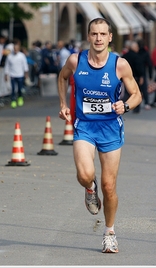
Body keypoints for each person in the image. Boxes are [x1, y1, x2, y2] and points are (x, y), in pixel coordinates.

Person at [57, 18, 142, 253]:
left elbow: (136, 94)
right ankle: (89, 189)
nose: (98, 38)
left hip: (110, 129)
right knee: (85, 175)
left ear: (110, 37)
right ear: (88, 36)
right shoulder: (76, 60)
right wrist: (64, 103)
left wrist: (125, 106)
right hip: (84, 126)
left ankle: (109, 232)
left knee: (109, 185)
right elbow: (62, 77)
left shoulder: (120, 64)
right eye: (94, 34)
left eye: (103, 34)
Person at [4, 39, 29, 108]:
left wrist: (26, 73)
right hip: (12, 75)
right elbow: (7, 66)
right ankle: (13, 100)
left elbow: (25, 65)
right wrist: (6, 74)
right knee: (13, 89)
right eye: (14, 49)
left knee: (20, 88)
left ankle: (20, 98)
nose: (15, 50)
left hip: (20, 74)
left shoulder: (21, 56)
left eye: (16, 49)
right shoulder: (9, 56)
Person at [122, 41, 145, 113]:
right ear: (134, 48)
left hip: (125, 76)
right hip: (135, 77)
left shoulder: (125, 56)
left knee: (126, 92)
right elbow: (139, 67)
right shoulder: (137, 56)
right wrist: (141, 76)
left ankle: (123, 104)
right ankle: (136, 108)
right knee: (136, 93)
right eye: (137, 47)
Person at [137, 39, 153, 110]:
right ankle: (146, 103)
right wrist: (150, 75)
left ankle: (137, 104)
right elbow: (149, 64)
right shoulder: (146, 53)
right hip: (143, 72)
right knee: (144, 89)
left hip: (135, 73)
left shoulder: (136, 53)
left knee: (137, 89)